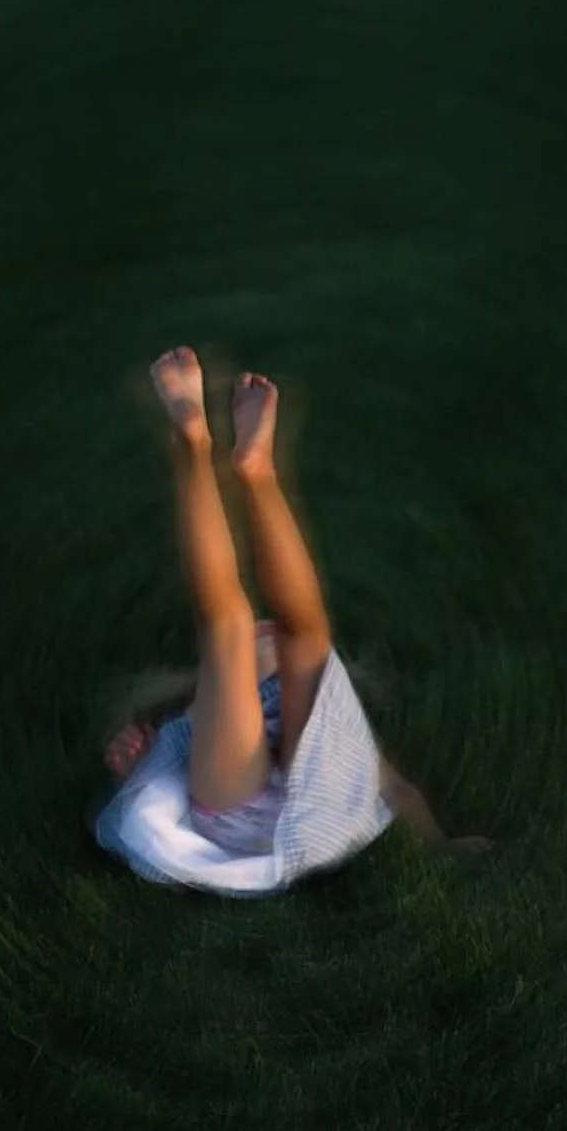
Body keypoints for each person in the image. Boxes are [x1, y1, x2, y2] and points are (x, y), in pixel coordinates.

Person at [91, 346, 490, 896]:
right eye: (265, 638)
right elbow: (394, 791)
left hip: (283, 809)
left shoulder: (301, 718)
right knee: (283, 634)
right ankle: (252, 471)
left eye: (266, 638)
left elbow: (394, 789)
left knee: (244, 630)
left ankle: (206, 451)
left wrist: (441, 845)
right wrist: (133, 762)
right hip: (276, 814)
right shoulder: (197, 715)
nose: (265, 632)